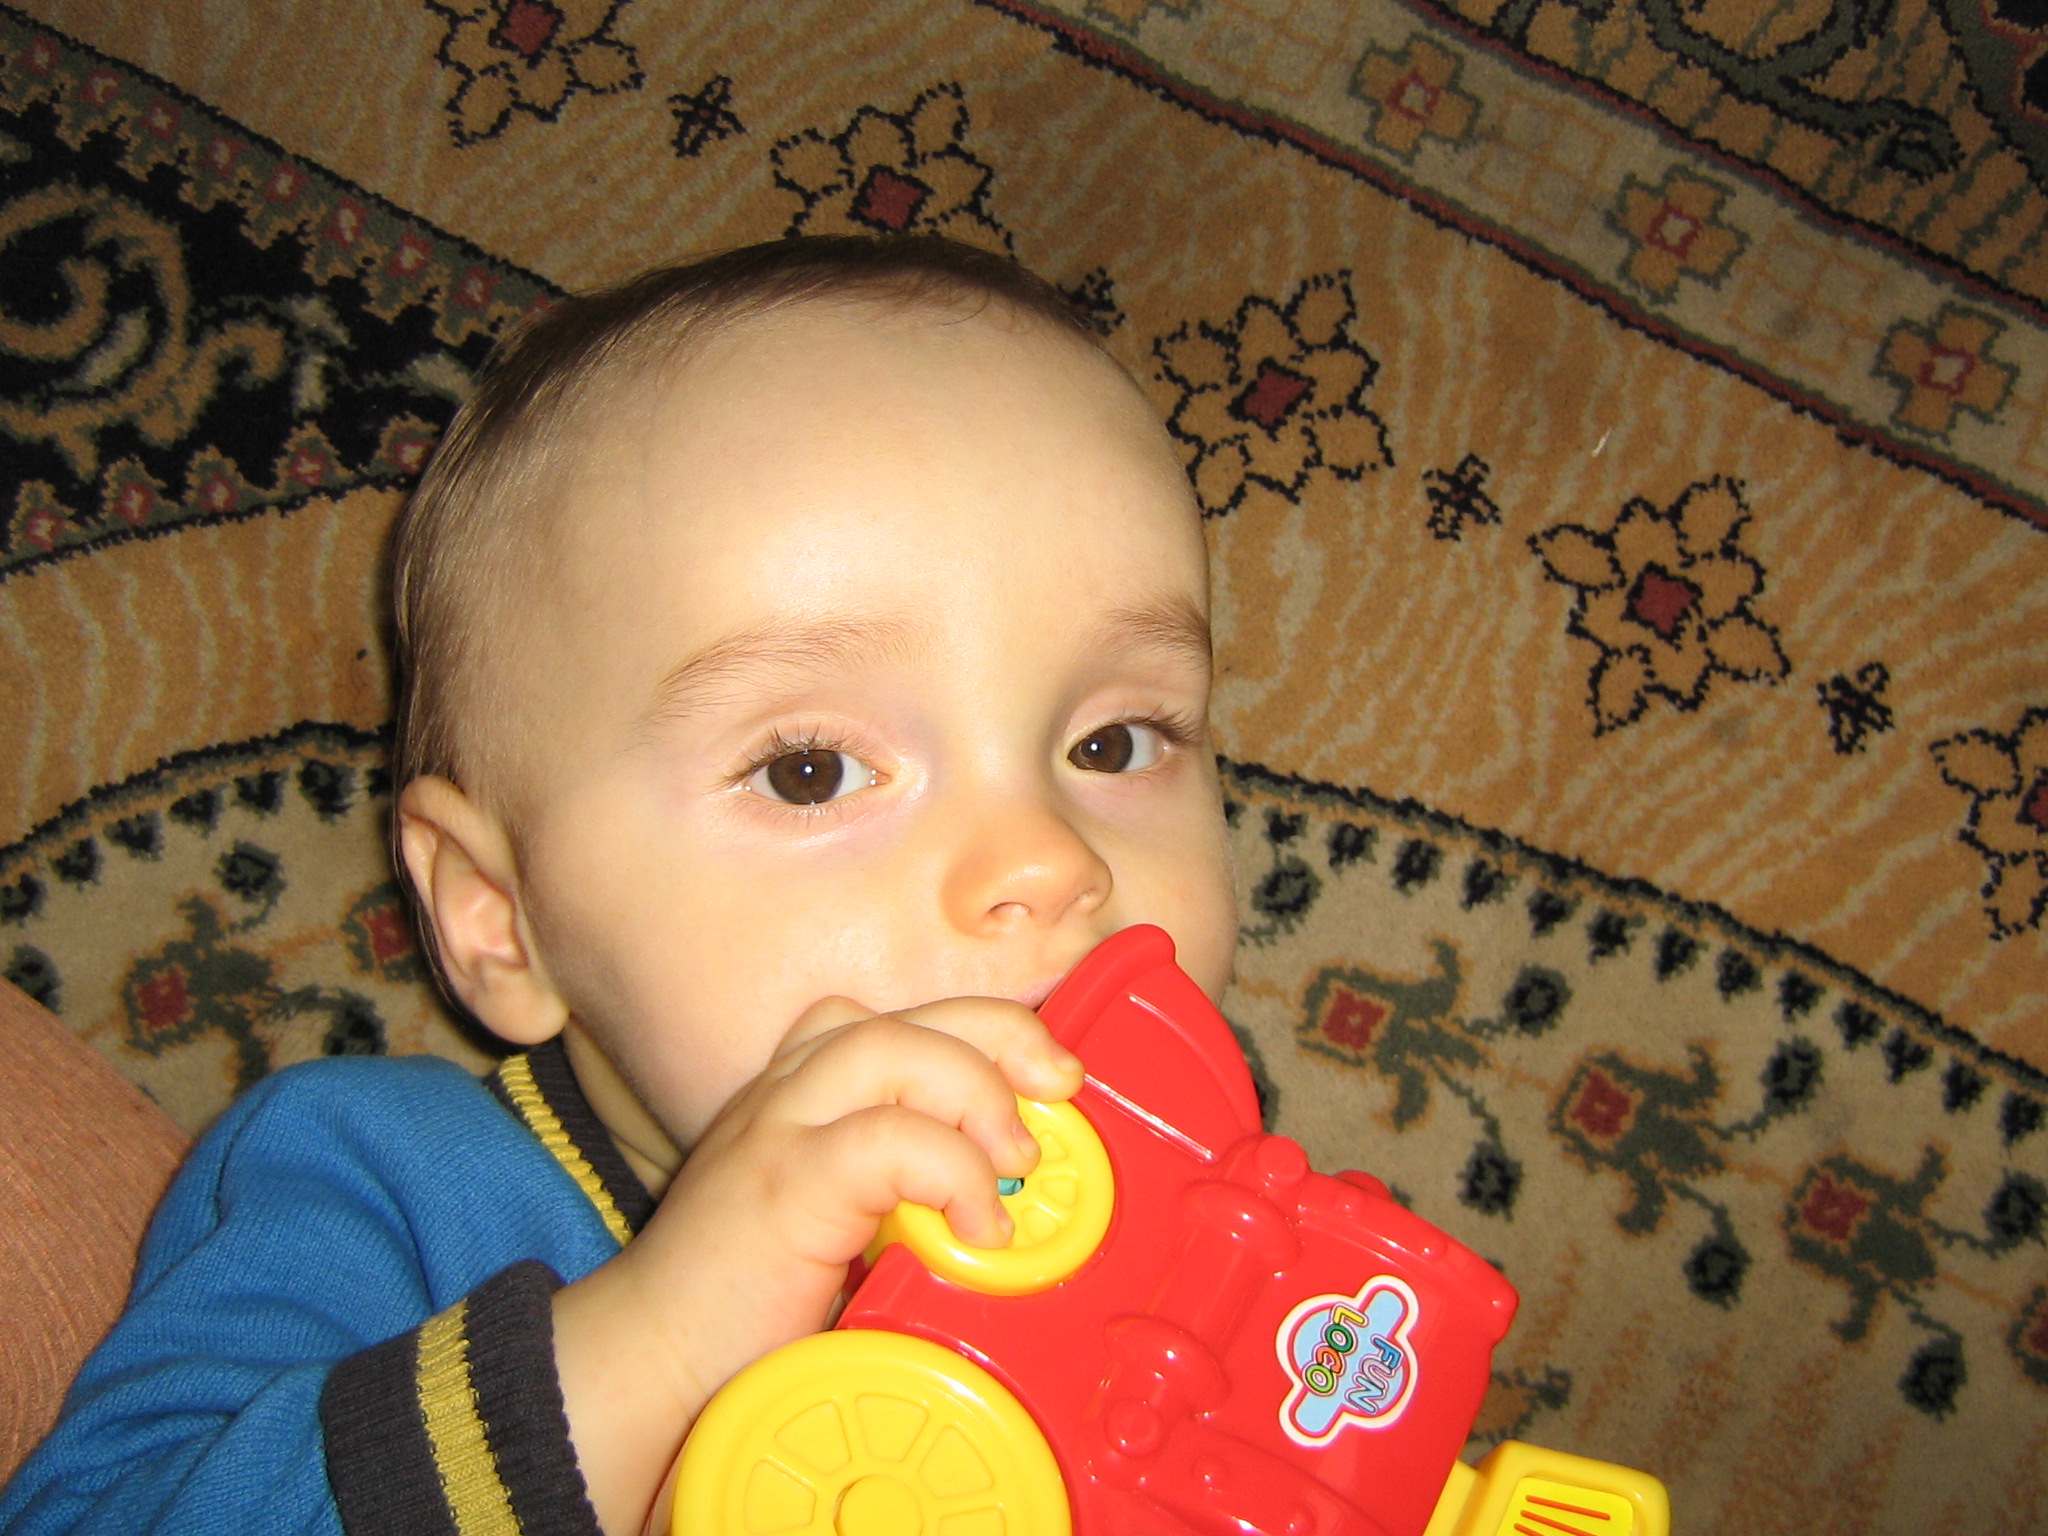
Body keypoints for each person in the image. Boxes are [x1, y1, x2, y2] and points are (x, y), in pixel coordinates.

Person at [0, 234, 1239, 1535]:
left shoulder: (1221, 1277)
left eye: (1116, 744)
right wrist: (665, 1340)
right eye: (810, 771)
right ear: (498, 916)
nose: (1049, 861)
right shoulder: (380, 1183)